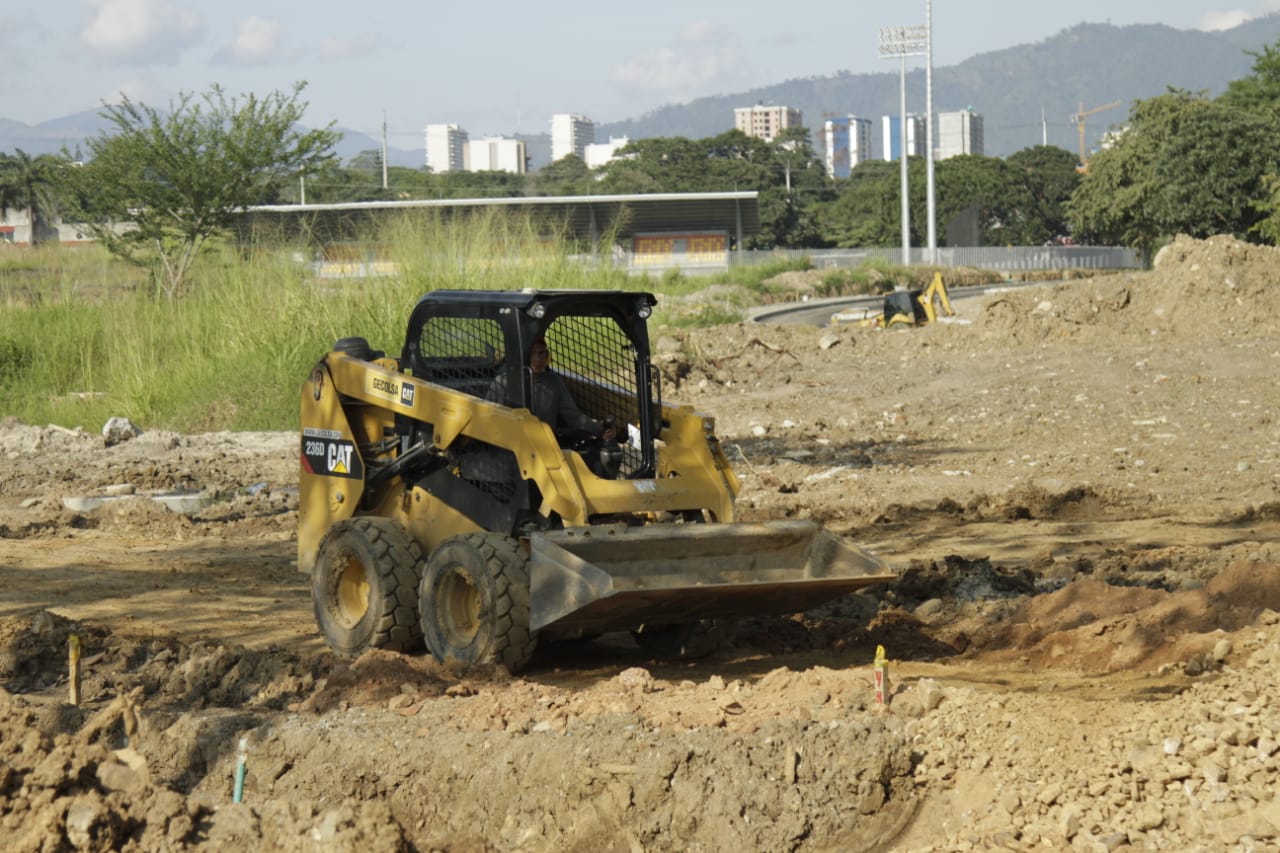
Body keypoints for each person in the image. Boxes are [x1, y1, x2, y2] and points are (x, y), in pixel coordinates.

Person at [489, 337, 617, 442]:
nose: (538, 359)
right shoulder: (503, 382)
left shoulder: (554, 382)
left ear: (547, 355)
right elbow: (488, 418)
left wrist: (599, 429)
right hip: (511, 446)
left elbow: (574, 417)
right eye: (533, 353)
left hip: (546, 446)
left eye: (541, 353)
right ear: (524, 356)